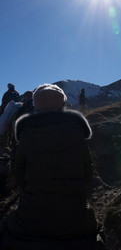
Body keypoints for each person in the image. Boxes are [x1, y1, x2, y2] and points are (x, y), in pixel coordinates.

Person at [4, 84, 103, 248]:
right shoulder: (77, 131)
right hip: (75, 217)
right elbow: (88, 172)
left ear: (36, 106)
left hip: (30, 218)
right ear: (62, 105)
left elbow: (18, 176)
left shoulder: (26, 133)